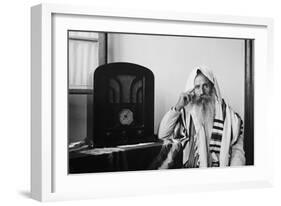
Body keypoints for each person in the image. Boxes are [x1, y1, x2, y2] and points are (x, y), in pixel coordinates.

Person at [157, 66, 245, 168]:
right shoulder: (185, 115)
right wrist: (178, 106)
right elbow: (162, 135)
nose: (202, 91)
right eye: (197, 87)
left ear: (212, 87)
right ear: (192, 90)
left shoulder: (230, 118)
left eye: (205, 86)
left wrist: (232, 176)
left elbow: (237, 152)